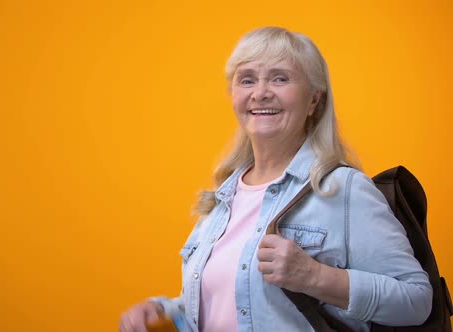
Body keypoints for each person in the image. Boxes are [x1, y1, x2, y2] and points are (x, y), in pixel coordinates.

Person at [119, 26, 432, 332]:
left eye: (280, 78)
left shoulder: (345, 189)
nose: (260, 92)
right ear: (233, 96)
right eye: (247, 80)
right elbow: (231, 305)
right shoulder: (222, 198)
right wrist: (163, 310)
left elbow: (417, 301)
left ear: (314, 100)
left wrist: (314, 277)